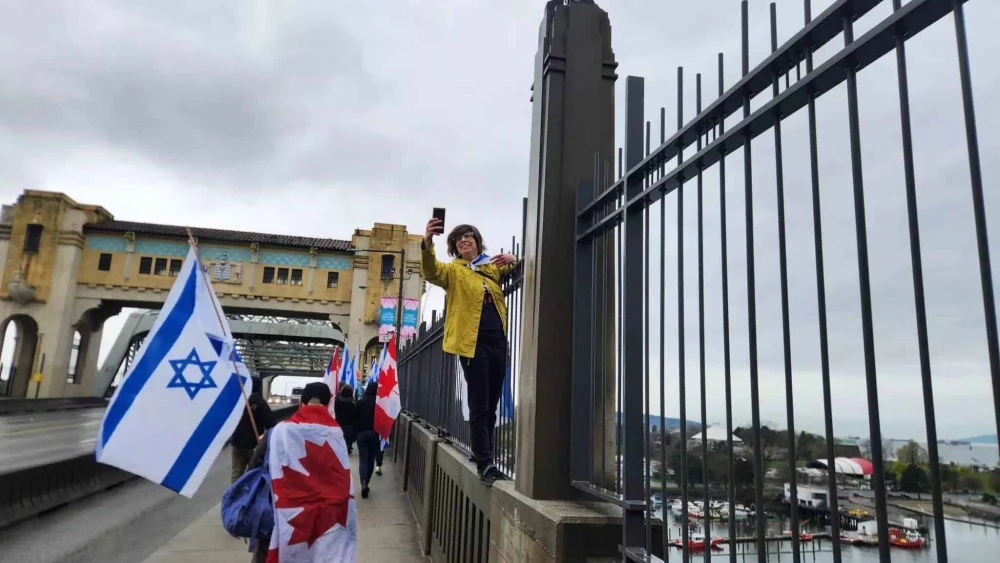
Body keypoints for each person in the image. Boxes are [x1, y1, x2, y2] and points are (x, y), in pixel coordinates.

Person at [421, 218, 517, 485]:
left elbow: (516, 266)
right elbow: (431, 271)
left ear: (477, 242)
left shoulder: (490, 268)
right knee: (479, 403)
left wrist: (514, 258)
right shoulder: (453, 271)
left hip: (498, 341)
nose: (464, 240)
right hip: (471, 344)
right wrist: (427, 241)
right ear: (454, 247)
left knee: (492, 402)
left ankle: (482, 454)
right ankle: (485, 462)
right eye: (458, 239)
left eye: (468, 236)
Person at [246, 381, 356, 562]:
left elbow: (251, 473)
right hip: (326, 524)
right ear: (329, 405)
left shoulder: (277, 433)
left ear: (300, 403)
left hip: (282, 519)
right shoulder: (337, 436)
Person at [229, 376, 276, 483]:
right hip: (254, 444)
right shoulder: (260, 403)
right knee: (254, 472)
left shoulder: (239, 401)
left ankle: (235, 491)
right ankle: (249, 492)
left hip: (237, 442)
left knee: (237, 472)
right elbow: (271, 424)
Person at [354, 380, 380, 498]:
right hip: (374, 433)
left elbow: (355, 418)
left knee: (363, 460)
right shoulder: (379, 404)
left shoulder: (360, 402)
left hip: (361, 433)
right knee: (370, 460)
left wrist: (355, 433)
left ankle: (363, 482)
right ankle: (367, 483)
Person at [334, 383, 357, 455]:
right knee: (347, 443)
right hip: (350, 427)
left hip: (338, 425)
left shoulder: (336, 402)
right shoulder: (353, 404)